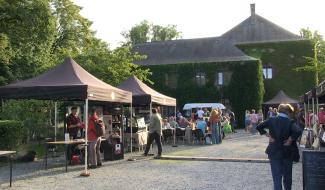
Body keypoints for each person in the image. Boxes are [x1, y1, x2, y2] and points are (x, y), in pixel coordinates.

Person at [256, 104, 302, 190]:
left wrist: (268, 135)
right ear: (288, 112)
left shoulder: (271, 120)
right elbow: (298, 131)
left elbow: (258, 127)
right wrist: (290, 139)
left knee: (277, 179)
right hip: (287, 152)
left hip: (274, 152)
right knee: (287, 178)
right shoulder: (290, 122)